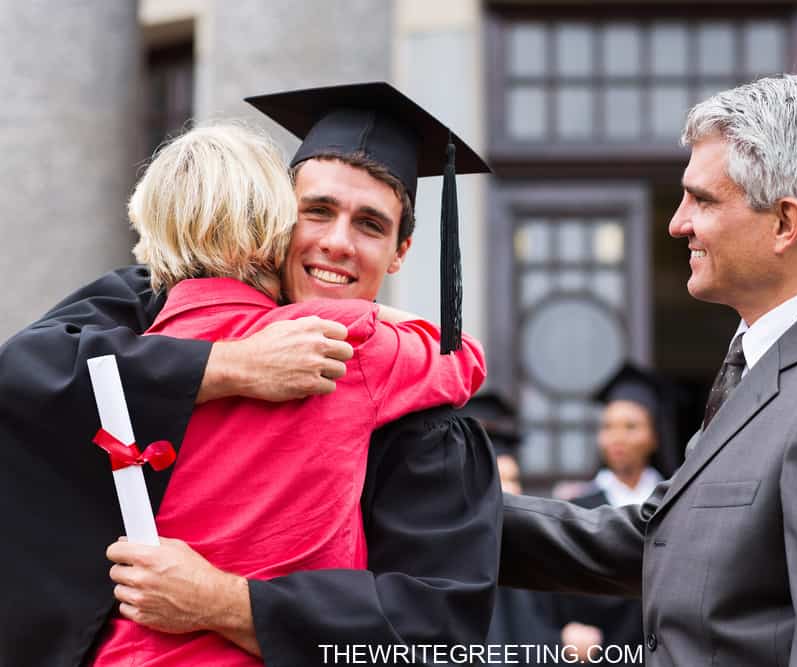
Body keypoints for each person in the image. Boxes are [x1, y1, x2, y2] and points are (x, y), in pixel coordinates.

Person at [0, 82, 500, 667]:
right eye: (316, 211)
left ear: (400, 251)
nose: (336, 243)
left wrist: (227, 602)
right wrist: (228, 366)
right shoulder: (149, 301)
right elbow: (23, 374)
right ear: (272, 219)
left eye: (369, 225)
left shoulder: (428, 429)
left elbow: (435, 632)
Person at [500, 74, 797, 666]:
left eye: (702, 199)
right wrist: (440, 506)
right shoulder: (769, 364)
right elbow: (659, 539)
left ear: (785, 223)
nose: (677, 222)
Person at [550, 362, 671, 664]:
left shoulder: (673, 504)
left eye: (630, 427)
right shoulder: (579, 506)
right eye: (607, 427)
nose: (617, 437)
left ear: (654, 436)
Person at [459, 391, 561, 665]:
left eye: (513, 479)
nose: (510, 490)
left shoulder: (536, 552)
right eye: (500, 480)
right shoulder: (454, 557)